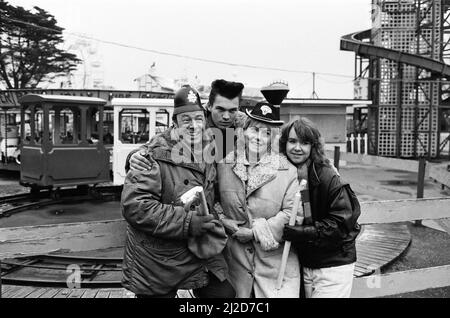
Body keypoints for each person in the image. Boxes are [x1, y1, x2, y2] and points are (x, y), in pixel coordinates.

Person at [121, 85, 235, 298]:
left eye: (199, 119)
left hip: (197, 251)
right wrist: (188, 222)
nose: (194, 126)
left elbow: (249, 128)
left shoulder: (211, 146)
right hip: (157, 258)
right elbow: (135, 207)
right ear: (174, 124)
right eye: (186, 121)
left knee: (223, 295)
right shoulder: (150, 156)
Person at [216, 102, 302, 298]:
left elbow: (294, 213)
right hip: (234, 265)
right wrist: (223, 220)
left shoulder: (287, 170)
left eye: (267, 133)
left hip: (274, 268)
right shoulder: (224, 165)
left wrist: (256, 233)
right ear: (244, 131)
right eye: (255, 130)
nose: (259, 137)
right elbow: (212, 202)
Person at [281, 117, 361, 298]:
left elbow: (343, 222)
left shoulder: (327, 175)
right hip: (306, 263)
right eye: (292, 141)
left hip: (333, 264)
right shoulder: (289, 173)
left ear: (313, 146)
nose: (297, 148)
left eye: (305, 142)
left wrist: (307, 232)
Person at [127, 79, 246, 171]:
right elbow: (164, 139)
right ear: (209, 106)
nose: (226, 116)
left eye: (232, 111)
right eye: (220, 109)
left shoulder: (244, 124)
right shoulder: (195, 120)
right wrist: (135, 156)